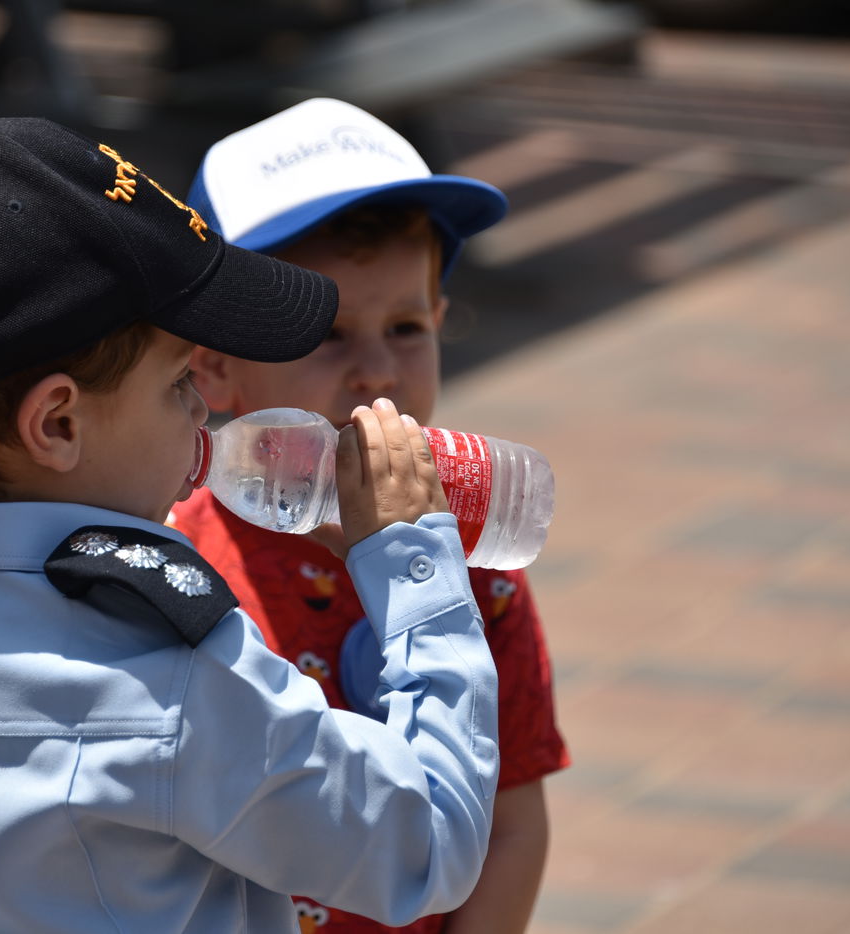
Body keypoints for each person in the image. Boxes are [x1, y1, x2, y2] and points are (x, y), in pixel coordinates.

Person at [0, 115, 501, 933]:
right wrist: (413, 564)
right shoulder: (166, 676)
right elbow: (426, 842)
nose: (202, 413)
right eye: (180, 380)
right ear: (58, 424)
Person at [172, 97, 569, 934]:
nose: (380, 372)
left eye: (406, 327)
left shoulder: (477, 570)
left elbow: (512, 824)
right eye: (329, 335)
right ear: (212, 367)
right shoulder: (180, 560)